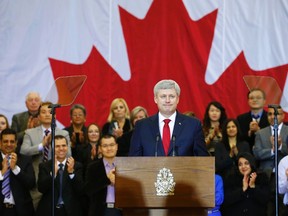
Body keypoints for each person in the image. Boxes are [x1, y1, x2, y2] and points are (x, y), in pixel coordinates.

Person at [129, 79, 209, 156]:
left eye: (171, 96)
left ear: (177, 99)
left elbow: (203, 159)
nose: (167, 100)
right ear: (155, 99)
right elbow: (133, 161)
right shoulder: (142, 126)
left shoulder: (193, 125)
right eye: (163, 96)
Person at [20, 101, 71, 210]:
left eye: (50, 112)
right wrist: (41, 145)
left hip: (57, 177)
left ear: (55, 116)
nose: (47, 114)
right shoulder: (30, 133)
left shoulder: (63, 134)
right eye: (43, 112)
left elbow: (69, 154)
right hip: (37, 179)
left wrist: (57, 147)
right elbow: (23, 151)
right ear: (38, 116)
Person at [253, 105, 288, 216]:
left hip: (284, 177)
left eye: (276, 114)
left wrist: (281, 145)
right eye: (270, 114)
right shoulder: (260, 133)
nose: (273, 116)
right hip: (266, 176)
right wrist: (272, 150)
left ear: (283, 115)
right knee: (267, 209)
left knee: (283, 209)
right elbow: (257, 153)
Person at [36, 135, 83, 216]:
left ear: (67, 147)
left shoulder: (76, 165)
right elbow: (41, 188)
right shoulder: (44, 166)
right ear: (52, 147)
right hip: (49, 210)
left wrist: (71, 173)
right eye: (57, 146)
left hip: (70, 210)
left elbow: (80, 190)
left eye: (64, 145)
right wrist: (53, 174)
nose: (61, 149)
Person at [0, 128, 35, 216]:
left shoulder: (25, 160)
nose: (9, 144)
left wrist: (15, 169)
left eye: (12, 141)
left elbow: (31, 184)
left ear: (16, 143)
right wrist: (2, 172)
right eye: (5, 141)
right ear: (0, 143)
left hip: (21, 210)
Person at [85, 134, 122, 216]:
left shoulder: (126, 165)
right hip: (101, 211)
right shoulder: (93, 167)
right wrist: (107, 179)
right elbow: (88, 190)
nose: (109, 148)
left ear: (117, 146)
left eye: (112, 145)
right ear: (100, 149)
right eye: (105, 146)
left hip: (122, 210)